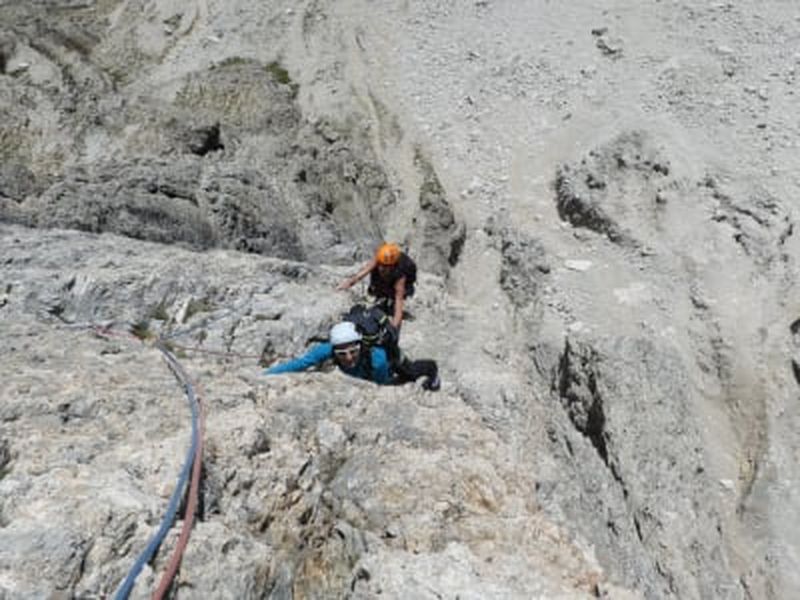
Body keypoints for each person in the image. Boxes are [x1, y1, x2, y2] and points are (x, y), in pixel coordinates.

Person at [264, 321, 440, 391]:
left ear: (361, 346)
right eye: (342, 354)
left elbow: (379, 384)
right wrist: (267, 374)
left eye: (353, 352)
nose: (348, 357)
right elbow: (300, 364)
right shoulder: (326, 350)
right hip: (366, 371)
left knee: (410, 374)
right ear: (334, 350)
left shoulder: (377, 359)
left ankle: (433, 371)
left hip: (390, 364)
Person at [336, 243, 417, 330]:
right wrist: (345, 285)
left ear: (391, 266)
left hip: (401, 282)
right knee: (375, 287)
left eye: (384, 267)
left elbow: (399, 301)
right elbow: (361, 274)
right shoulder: (379, 260)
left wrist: (393, 327)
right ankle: (383, 299)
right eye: (380, 266)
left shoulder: (400, 276)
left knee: (395, 295)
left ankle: (389, 302)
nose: (381, 268)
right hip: (387, 278)